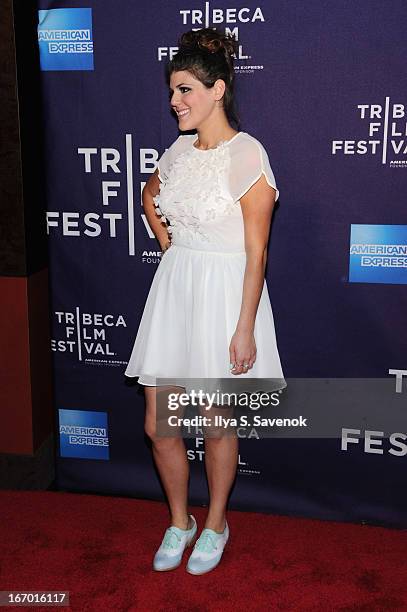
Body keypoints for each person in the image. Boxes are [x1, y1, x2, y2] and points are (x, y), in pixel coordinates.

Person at [124, 27, 286, 575]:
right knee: (159, 425)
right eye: (172, 91)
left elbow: (257, 252)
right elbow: (151, 193)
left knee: (217, 424)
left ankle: (215, 521)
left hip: (225, 297)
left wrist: (244, 329)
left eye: (186, 89)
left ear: (218, 90)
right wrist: (170, 245)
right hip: (175, 291)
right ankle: (179, 521)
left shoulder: (248, 155)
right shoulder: (177, 150)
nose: (176, 101)